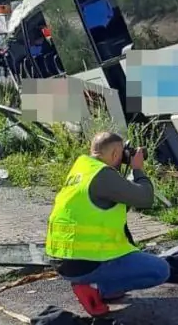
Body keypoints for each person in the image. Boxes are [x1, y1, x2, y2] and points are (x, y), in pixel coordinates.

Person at [45, 132, 170, 315]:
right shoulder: (103, 175)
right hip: (86, 263)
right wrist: (137, 169)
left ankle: (104, 289)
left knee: (131, 257)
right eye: (122, 154)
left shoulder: (82, 170)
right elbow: (146, 198)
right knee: (160, 270)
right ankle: (97, 289)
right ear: (114, 154)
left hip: (62, 261)